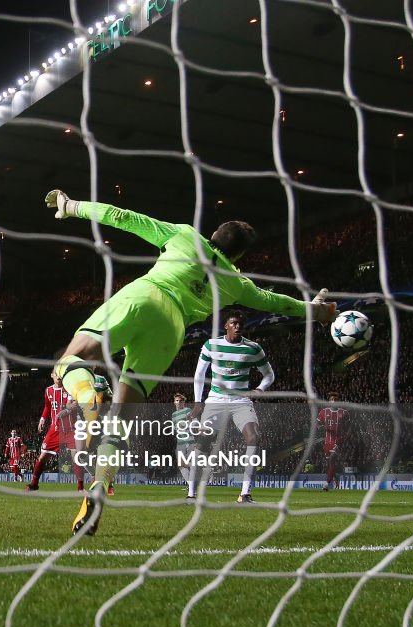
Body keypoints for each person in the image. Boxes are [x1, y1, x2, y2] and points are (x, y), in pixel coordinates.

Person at [45, 191, 336, 534]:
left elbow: (122, 216)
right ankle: (97, 491)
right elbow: (275, 302)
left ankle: (87, 394)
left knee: (71, 360)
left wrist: (71, 207)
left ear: (213, 235)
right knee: (119, 425)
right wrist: (316, 312)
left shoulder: (184, 235)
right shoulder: (237, 283)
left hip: (145, 296)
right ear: (239, 255)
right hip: (172, 330)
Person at [191, 311, 274, 504]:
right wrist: (197, 402)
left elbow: (269, 375)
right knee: (203, 442)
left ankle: (245, 493)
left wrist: (260, 390)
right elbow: (199, 375)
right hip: (216, 400)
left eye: (240, 324)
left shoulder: (253, 348)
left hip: (240, 401)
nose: (237, 326)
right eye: (234, 323)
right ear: (226, 326)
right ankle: (191, 492)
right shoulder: (211, 345)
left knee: (254, 437)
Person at [27, 372, 81, 491]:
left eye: (60, 373)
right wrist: (42, 419)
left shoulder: (70, 389)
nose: (58, 376)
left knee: (76, 457)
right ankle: (34, 484)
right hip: (55, 429)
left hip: (70, 429)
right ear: (51, 375)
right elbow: (47, 406)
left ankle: (80, 488)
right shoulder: (48, 391)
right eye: (56, 374)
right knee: (42, 457)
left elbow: (76, 405)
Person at [317, 392, 349, 491]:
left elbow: (348, 428)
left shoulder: (344, 413)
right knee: (330, 463)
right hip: (327, 442)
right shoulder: (323, 412)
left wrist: (343, 439)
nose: (333, 401)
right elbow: (317, 425)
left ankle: (326, 484)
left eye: (336, 400)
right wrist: (320, 427)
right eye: (332, 400)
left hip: (338, 441)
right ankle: (335, 479)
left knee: (332, 459)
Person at [171, 392, 198, 499]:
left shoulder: (187, 411)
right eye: (177, 401)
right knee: (181, 465)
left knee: (191, 463)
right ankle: (191, 485)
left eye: (181, 401)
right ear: (174, 402)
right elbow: (175, 428)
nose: (178, 402)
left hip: (190, 440)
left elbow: (195, 422)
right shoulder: (173, 415)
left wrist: (187, 425)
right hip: (180, 442)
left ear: (184, 402)